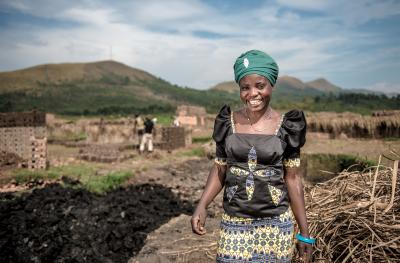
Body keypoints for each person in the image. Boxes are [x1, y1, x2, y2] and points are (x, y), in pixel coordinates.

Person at [191, 50, 314, 262]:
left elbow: (293, 179)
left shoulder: (287, 126)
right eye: (245, 88)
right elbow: (220, 168)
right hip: (234, 223)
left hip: (276, 226)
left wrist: (305, 233)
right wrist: (202, 205)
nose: (252, 94)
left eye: (260, 86)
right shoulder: (227, 122)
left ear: (271, 86)